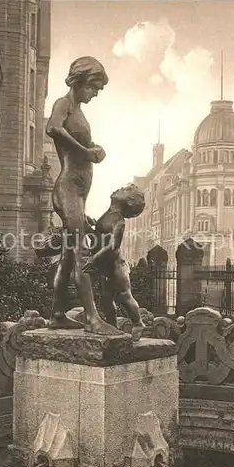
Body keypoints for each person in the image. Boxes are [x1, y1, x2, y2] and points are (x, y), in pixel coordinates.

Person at [46, 56, 119, 335]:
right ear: (80, 81)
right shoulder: (63, 104)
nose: (96, 93)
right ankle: (92, 318)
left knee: (67, 256)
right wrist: (85, 151)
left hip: (78, 191)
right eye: (93, 87)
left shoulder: (78, 110)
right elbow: (52, 128)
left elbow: (80, 146)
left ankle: (56, 314)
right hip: (67, 189)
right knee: (80, 252)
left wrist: (94, 149)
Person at [81, 184, 146, 340]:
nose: (119, 189)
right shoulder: (109, 214)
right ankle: (112, 326)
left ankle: (138, 323)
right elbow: (99, 237)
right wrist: (89, 227)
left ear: (129, 202)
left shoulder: (118, 221)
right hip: (106, 268)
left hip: (116, 268)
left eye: (124, 190)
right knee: (106, 299)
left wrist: (94, 258)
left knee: (125, 296)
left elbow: (113, 246)